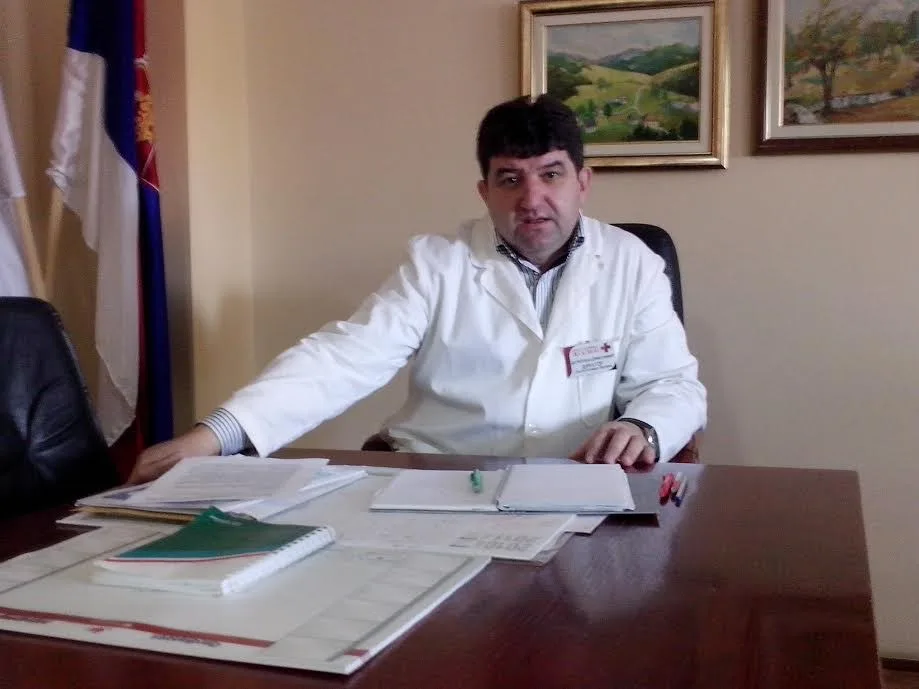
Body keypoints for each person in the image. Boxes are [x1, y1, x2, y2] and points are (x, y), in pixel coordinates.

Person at [129, 95, 706, 484]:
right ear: (484, 192)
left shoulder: (633, 262)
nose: (531, 199)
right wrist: (215, 436)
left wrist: (642, 426)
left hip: (575, 481)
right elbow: (343, 358)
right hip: (441, 479)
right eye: (510, 179)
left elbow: (672, 384)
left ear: (583, 182)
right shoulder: (437, 262)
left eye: (551, 174)